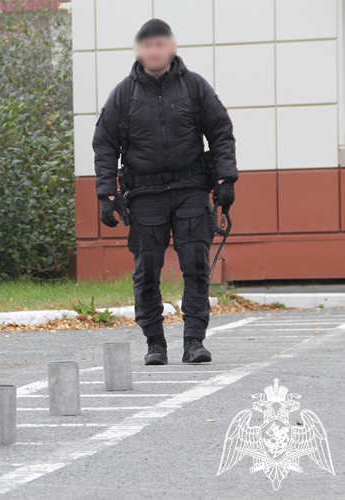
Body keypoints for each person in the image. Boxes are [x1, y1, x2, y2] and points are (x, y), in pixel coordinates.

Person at [91, 19, 237, 365]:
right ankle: (155, 343)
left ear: (171, 48)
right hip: (145, 195)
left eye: (160, 45)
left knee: (196, 268)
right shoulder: (123, 94)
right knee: (147, 271)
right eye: (147, 46)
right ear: (139, 50)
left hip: (190, 190)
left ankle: (193, 342)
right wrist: (105, 194)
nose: (153, 51)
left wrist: (225, 180)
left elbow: (220, 133)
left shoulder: (195, 88)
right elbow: (104, 145)